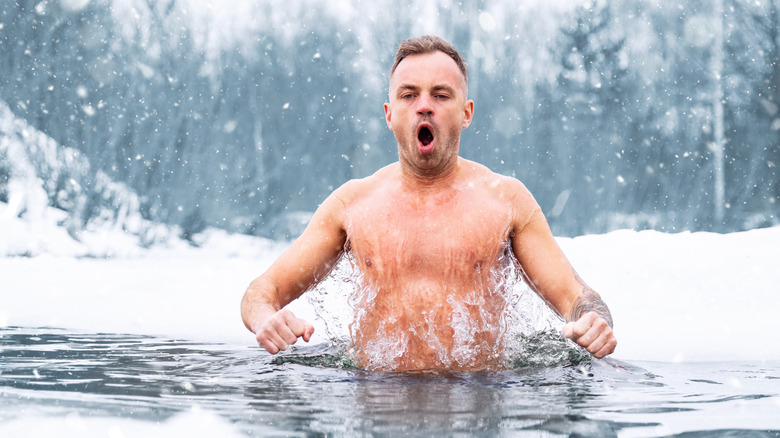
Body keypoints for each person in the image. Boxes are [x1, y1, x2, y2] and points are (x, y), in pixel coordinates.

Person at [241, 35, 616, 371]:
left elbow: (577, 296)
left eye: (440, 94)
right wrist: (264, 318)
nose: (424, 106)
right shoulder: (353, 204)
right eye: (409, 95)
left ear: (466, 113)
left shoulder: (505, 200)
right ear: (390, 115)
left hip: (478, 400)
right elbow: (262, 292)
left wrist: (595, 322)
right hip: (377, 403)